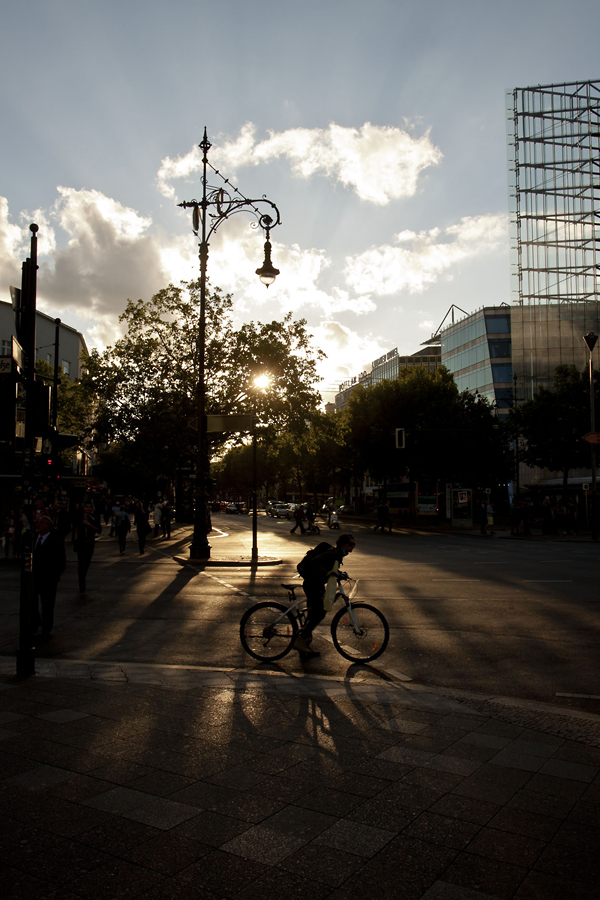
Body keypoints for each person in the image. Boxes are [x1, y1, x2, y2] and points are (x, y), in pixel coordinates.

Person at [294, 532, 356, 657]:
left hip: (316, 584)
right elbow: (314, 563)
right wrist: (327, 572)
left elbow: (330, 568)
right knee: (319, 613)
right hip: (312, 584)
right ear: (344, 544)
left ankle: (304, 639)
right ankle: (300, 640)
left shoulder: (337, 554)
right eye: (351, 544)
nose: (352, 547)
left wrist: (339, 573)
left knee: (316, 612)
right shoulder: (333, 553)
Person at [32, 515, 66, 639]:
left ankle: (46, 628)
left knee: (47, 606)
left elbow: (61, 561)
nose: (38, 525)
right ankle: (35, 624)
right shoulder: (34, 538)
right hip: (34, 578)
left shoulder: (55, 540)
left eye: (41, 523)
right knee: (32, 603)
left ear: (47, 526)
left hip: (48, 579)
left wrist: (54, 576)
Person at [73, 502, 102, 591]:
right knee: (81, 562)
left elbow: (99, 530)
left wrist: (89, 524)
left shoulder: (94, 518)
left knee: (87, 562)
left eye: (90, 507)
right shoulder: (79, 516)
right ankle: (81, 582)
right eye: (87, 507)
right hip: (81, 543)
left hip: (89, 543)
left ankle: (83, 576)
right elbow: (75, 527)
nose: (88, 509)